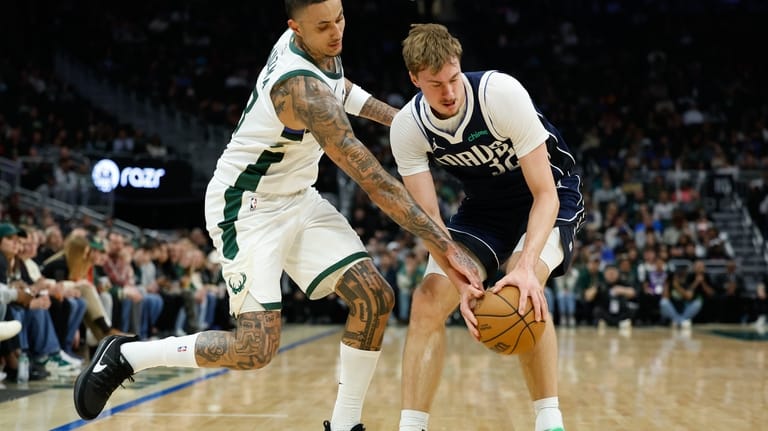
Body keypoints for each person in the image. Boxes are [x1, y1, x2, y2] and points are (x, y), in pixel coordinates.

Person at [72, 2, 481, 431]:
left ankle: (344, 426)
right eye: (323, 26)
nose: (336, 31)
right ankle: (125, 355)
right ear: (295, 28)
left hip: (297, 196)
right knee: (255, 348)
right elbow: (375, 182)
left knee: (375, 297)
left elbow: (343, 87)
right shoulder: (301, 90)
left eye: (339, 18)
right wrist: (446, 246)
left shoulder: (320, 45)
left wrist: (403, 120)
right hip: (247, 207)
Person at [389, 24, 584, 431]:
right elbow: (429, 222)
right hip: (484, 210)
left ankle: (549, 421)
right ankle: (412, 426)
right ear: (414, 79)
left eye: (454, 78)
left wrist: (527, 265)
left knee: (521, 290)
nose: (449, 92)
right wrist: (460, 283)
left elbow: (544, 193)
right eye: (435, 84)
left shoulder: (500, 94)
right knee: (427, 300)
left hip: (548, 193)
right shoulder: (408, 126)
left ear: (461, 67)